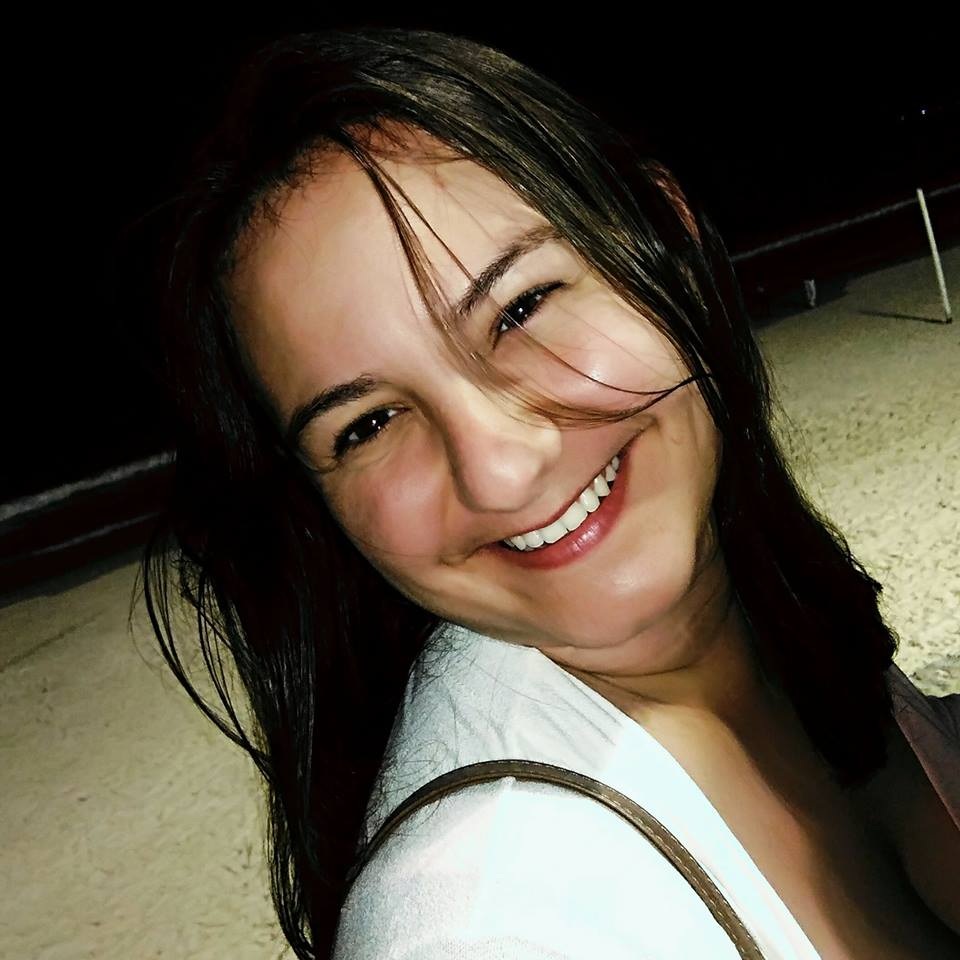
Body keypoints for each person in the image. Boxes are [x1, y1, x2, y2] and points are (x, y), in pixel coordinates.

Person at [139, 28, 960, 959]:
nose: (498, 470)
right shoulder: (490, 924)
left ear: (666, 233)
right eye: (367, 424)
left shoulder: (775, 611)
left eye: (520, 309)